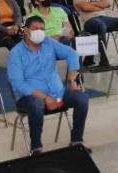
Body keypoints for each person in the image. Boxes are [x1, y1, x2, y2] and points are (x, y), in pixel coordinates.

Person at [7, 16, 89, 155]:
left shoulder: (49, 42)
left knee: (82, 99)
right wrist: (45, 98)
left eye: (42, 29)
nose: (40, 32)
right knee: (36, 104)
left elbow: (72, 53)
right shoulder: (15, 53)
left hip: (58, 95)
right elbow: (18, 83)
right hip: (30, 98)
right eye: (36, 29)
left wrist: (71, 81)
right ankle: (36, 148)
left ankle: (76, 142)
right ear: (26, 31)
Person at [72, 0, 118, 66]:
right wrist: (100, 6)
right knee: (101, 26)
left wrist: (92, 4)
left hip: (104, 18)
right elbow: (85, 8)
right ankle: (104, 59)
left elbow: (107, 3)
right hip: (89, 21)